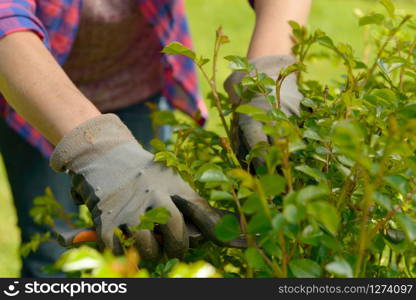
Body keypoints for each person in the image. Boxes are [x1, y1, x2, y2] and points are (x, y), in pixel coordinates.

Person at [0, 0, 311, 277]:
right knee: (53, 248)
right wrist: (96, 148)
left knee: (150, 238)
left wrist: (267, 74)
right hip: (29, 92)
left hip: (133, 83)